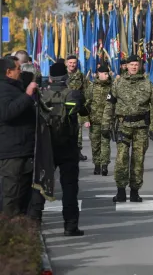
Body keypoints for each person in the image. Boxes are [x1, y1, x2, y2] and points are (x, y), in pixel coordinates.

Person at [29, 62, 88, 235]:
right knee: (69, 187)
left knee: (40, 185)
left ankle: (34, 225)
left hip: (45, 146)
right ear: (66, 77)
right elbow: (83, 110)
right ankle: (70, 226)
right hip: (68, 146)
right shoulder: (73, 94)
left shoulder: (41, 95)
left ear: (52, 77)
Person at [102, 55, 153, 203]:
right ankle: (121, 191)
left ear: (140, 66)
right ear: (126, 66)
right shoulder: (118, 83)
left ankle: (135, 191)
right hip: (123, 126)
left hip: (141, 127)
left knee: (138, 160)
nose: (134, 67)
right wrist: (106, 125)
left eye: (136, 64)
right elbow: (110, 105)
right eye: (131, 65)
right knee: (121, 159)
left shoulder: (147, 84)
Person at [0, 58, 38, 217]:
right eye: (17, 69)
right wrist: (27, 95)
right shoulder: (3, 89)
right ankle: (9, 231)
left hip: (23, 149)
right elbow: (7, 113)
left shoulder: (15, 87)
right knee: (11, 193)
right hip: (12, 151)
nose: (20, 71)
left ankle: (20, 227)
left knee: (23, 194)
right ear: (8, 72)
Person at [84, 64, 113, 176]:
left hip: (107, 121)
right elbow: (86, 104)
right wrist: (86, 119)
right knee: (95, 144)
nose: (106, 76)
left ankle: (104, 165)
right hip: (94, 120)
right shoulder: (92, 87)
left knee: (105, 144)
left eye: (107, 74)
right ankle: (97, 165)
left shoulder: (112, 87)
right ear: (98, 74)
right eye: (104, 74)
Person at [66, 54, 88, 161]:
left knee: (78, 129)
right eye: (70, 63)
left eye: (74, 63)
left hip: (77, 106)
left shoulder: (81, 76)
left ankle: (78, 151)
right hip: (65, 106)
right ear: (66, 63)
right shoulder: (63, 75)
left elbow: (85, 91)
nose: (72, 65)